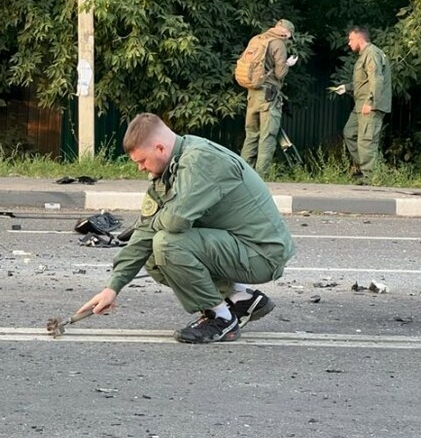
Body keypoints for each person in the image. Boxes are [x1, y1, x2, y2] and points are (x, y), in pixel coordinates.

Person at [77, 113, 295, 344]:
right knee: (151, 251)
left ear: (160, 148)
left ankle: (220, 318)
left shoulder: (200, 161)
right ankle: (240, 298)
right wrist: (113, 287)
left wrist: (154, 224)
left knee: (167, 243)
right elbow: (144, 231)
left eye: (142, 161)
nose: (140, 168)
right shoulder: (170, 169)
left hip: (262, 253)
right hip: (237, 246)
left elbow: (174, 222)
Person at [330, 26, 392, 183]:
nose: (349, 43)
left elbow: (377, 80)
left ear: (360, 39)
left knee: (366, 141)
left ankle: (370, 179)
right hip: (359, 105)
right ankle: (364, 169)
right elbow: (364, 80)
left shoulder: (371, 53)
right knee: (350, 133)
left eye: (351, 39)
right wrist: (347, 87)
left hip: (369, 106)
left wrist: (370, 102)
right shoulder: (365, 55)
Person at [240, 19, 299, 177]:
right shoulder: (278, 44)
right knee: (268, 135)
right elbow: (280, 73)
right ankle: (261, 177)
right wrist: (287, 64)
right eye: (289, 36)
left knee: (251, 134)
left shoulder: (257, 39)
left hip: (252, 92)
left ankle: (243, 176)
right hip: (269, 95)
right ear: (286, 33)